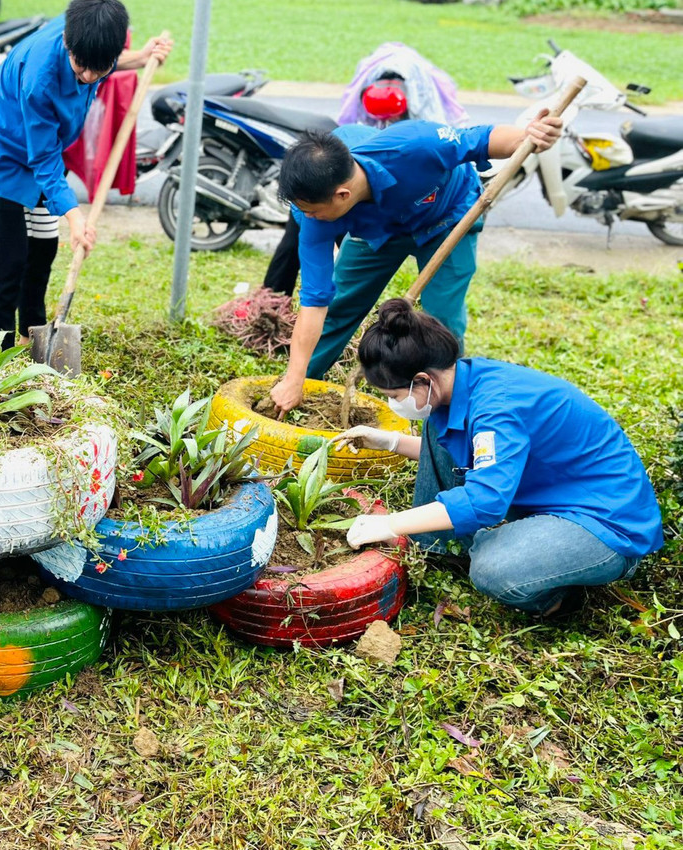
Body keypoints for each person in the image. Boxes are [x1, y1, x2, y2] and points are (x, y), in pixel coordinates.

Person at [336, 299, 663, 617]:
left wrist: (391, 522)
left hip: (605, 524)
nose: (394, 403)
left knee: (494, 568)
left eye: (394, 396)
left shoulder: (498, 409)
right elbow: (471, 452)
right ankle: (440, 548)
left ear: (423, 379)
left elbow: (485, 500)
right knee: (438, 425)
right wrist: (390, 442)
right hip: (556, 496)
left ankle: (556, 599)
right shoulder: (462, 382)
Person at [268, 112, 563, 412]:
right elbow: (315, 304)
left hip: (446, 220)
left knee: (443, 320)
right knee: (341, 306)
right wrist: (294, 377)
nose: (308, 217)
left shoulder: (415, 145)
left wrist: (528, 136)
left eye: (311, 211)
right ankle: (299, 385)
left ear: (342, 195)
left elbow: (482, 139)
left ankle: (448, 407)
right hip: (378, 233)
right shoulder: (315, 216)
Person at [0, 0, 172, 343]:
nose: (90, 76)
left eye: (100, 67)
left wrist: (139, 58)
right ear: (67, 43)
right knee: (10, 262)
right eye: (81, 66)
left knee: (44, 248)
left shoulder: (89, 36)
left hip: (45, 155)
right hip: (1, 156)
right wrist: (75, 217)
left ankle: (34, 335)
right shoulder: (40, 78)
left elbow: (98, 60)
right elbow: (43, 158)